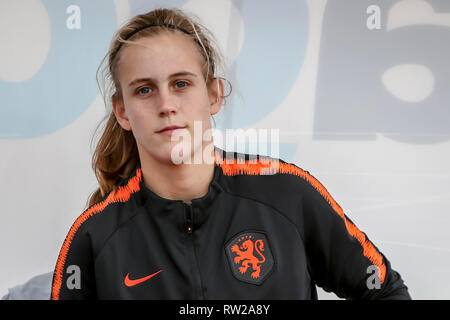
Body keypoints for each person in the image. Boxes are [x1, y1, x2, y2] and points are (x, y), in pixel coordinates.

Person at [51, 7, 411, 300]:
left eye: (181, 84)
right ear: (122, 111)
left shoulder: (286, 193)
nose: (166, 105)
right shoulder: (93, 237)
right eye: (144, 90)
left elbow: (384, 291)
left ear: (214, 95)